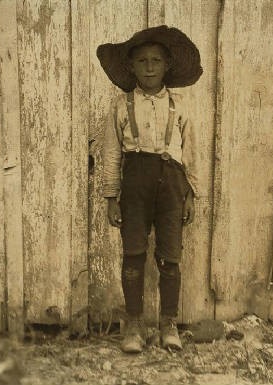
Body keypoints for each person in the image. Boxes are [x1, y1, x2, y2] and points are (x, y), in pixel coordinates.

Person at [97, 25, 202, 353]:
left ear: (167, 65)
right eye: (142, 61)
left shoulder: (180, 104)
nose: (150, 67)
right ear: (131, 67)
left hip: (171, 184)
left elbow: (192, 152)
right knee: (133, 254)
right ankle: (134, 325)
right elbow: (112, 154)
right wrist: (111, 198)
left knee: (170, 257)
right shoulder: (121, 105)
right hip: (136, 183)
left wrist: (191, 194)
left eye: (156, 60)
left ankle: (168, 323)